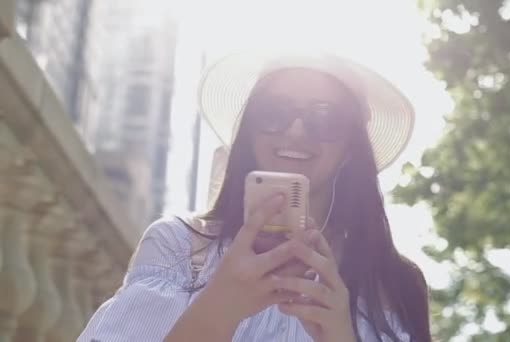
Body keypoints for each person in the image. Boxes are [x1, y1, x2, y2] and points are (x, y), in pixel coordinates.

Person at [78, 51, 431, 342]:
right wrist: (219, 308)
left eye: (324, 118)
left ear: (351, 146)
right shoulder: (179, 247)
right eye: (274, 112)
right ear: (249, 129)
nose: (295, 130)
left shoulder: (395, 285)